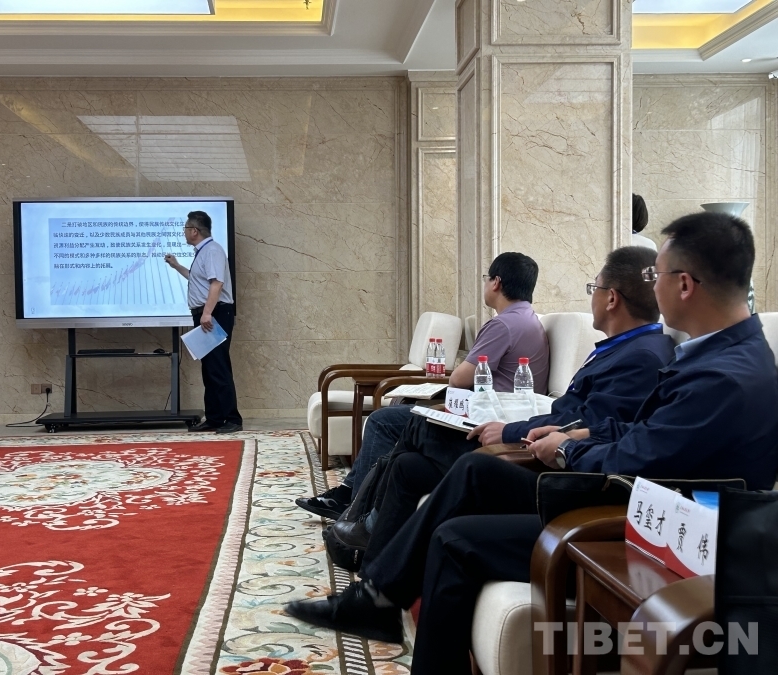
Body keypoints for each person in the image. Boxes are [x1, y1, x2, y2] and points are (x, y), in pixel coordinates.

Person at [285, 212, 778, 674]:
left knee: (456, 532)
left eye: (659, 275)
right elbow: (648, 434)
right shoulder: (720, 356)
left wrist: (567, 448)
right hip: (635, 500)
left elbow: (642, 459)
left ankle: (376, 595)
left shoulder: (722, 376)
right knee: (462, 476)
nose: (654, 286)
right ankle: (376, 595)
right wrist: (582, 433)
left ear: (685, 285)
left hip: (649, 527)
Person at [330, 246, 675, 561]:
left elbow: (586, 427)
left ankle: (361, 519)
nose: (592, 298)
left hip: (540, 459)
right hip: (530, 432)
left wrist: (509, 430)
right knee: (408, 465)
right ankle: (370, 558)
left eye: (593, 288)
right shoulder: (623, 348)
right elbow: (576, 417)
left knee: (417, 424)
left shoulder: (641, 358)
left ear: (611, 298)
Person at [295, 252, 549, 519]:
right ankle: (350, 493)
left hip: (484, 420)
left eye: (487, 278)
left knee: (382, 421)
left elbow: (460, 378)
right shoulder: (528, 319)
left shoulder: (503, 325)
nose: (485, 284)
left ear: (496, 282)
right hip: (502, 414)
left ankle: (356, 507)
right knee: (399, 416)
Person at [164, 211, 242, 433]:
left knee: (218, 367)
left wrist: (207, 314)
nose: (184, 232)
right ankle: (215, 418)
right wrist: (177, 266)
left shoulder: (212, 250)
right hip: (207, 314)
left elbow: (217, 283)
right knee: (209, 369)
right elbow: (198, 281)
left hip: (215, 314)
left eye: (185, 228)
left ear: (194, 231)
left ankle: (232, 419)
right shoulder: (203, 252)